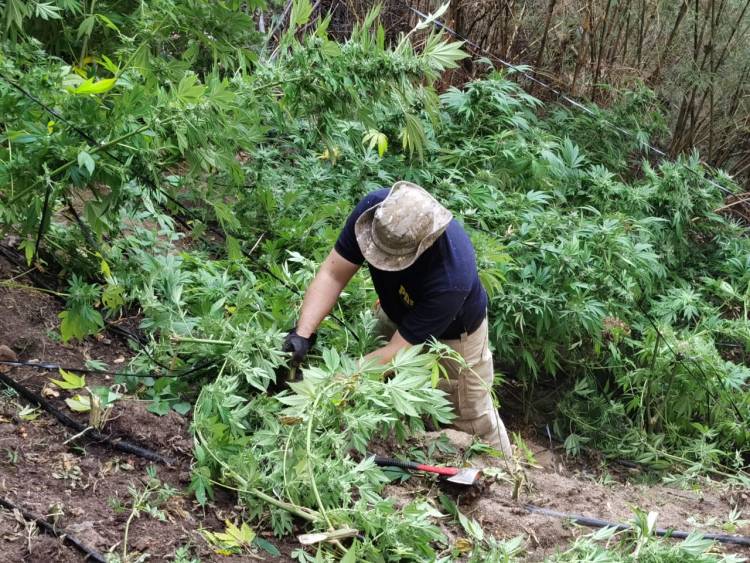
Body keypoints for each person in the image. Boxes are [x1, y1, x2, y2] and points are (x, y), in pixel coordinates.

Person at [282, 181, 512, 457]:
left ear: (423, 246)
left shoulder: (452, 277)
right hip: (397, 311)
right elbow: (333, 274)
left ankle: (503, 477)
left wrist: (328, 382)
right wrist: (302, 334)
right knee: (379, 388)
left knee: (470, 418)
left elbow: (393, 354)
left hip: (455, 337)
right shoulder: (376, 213)